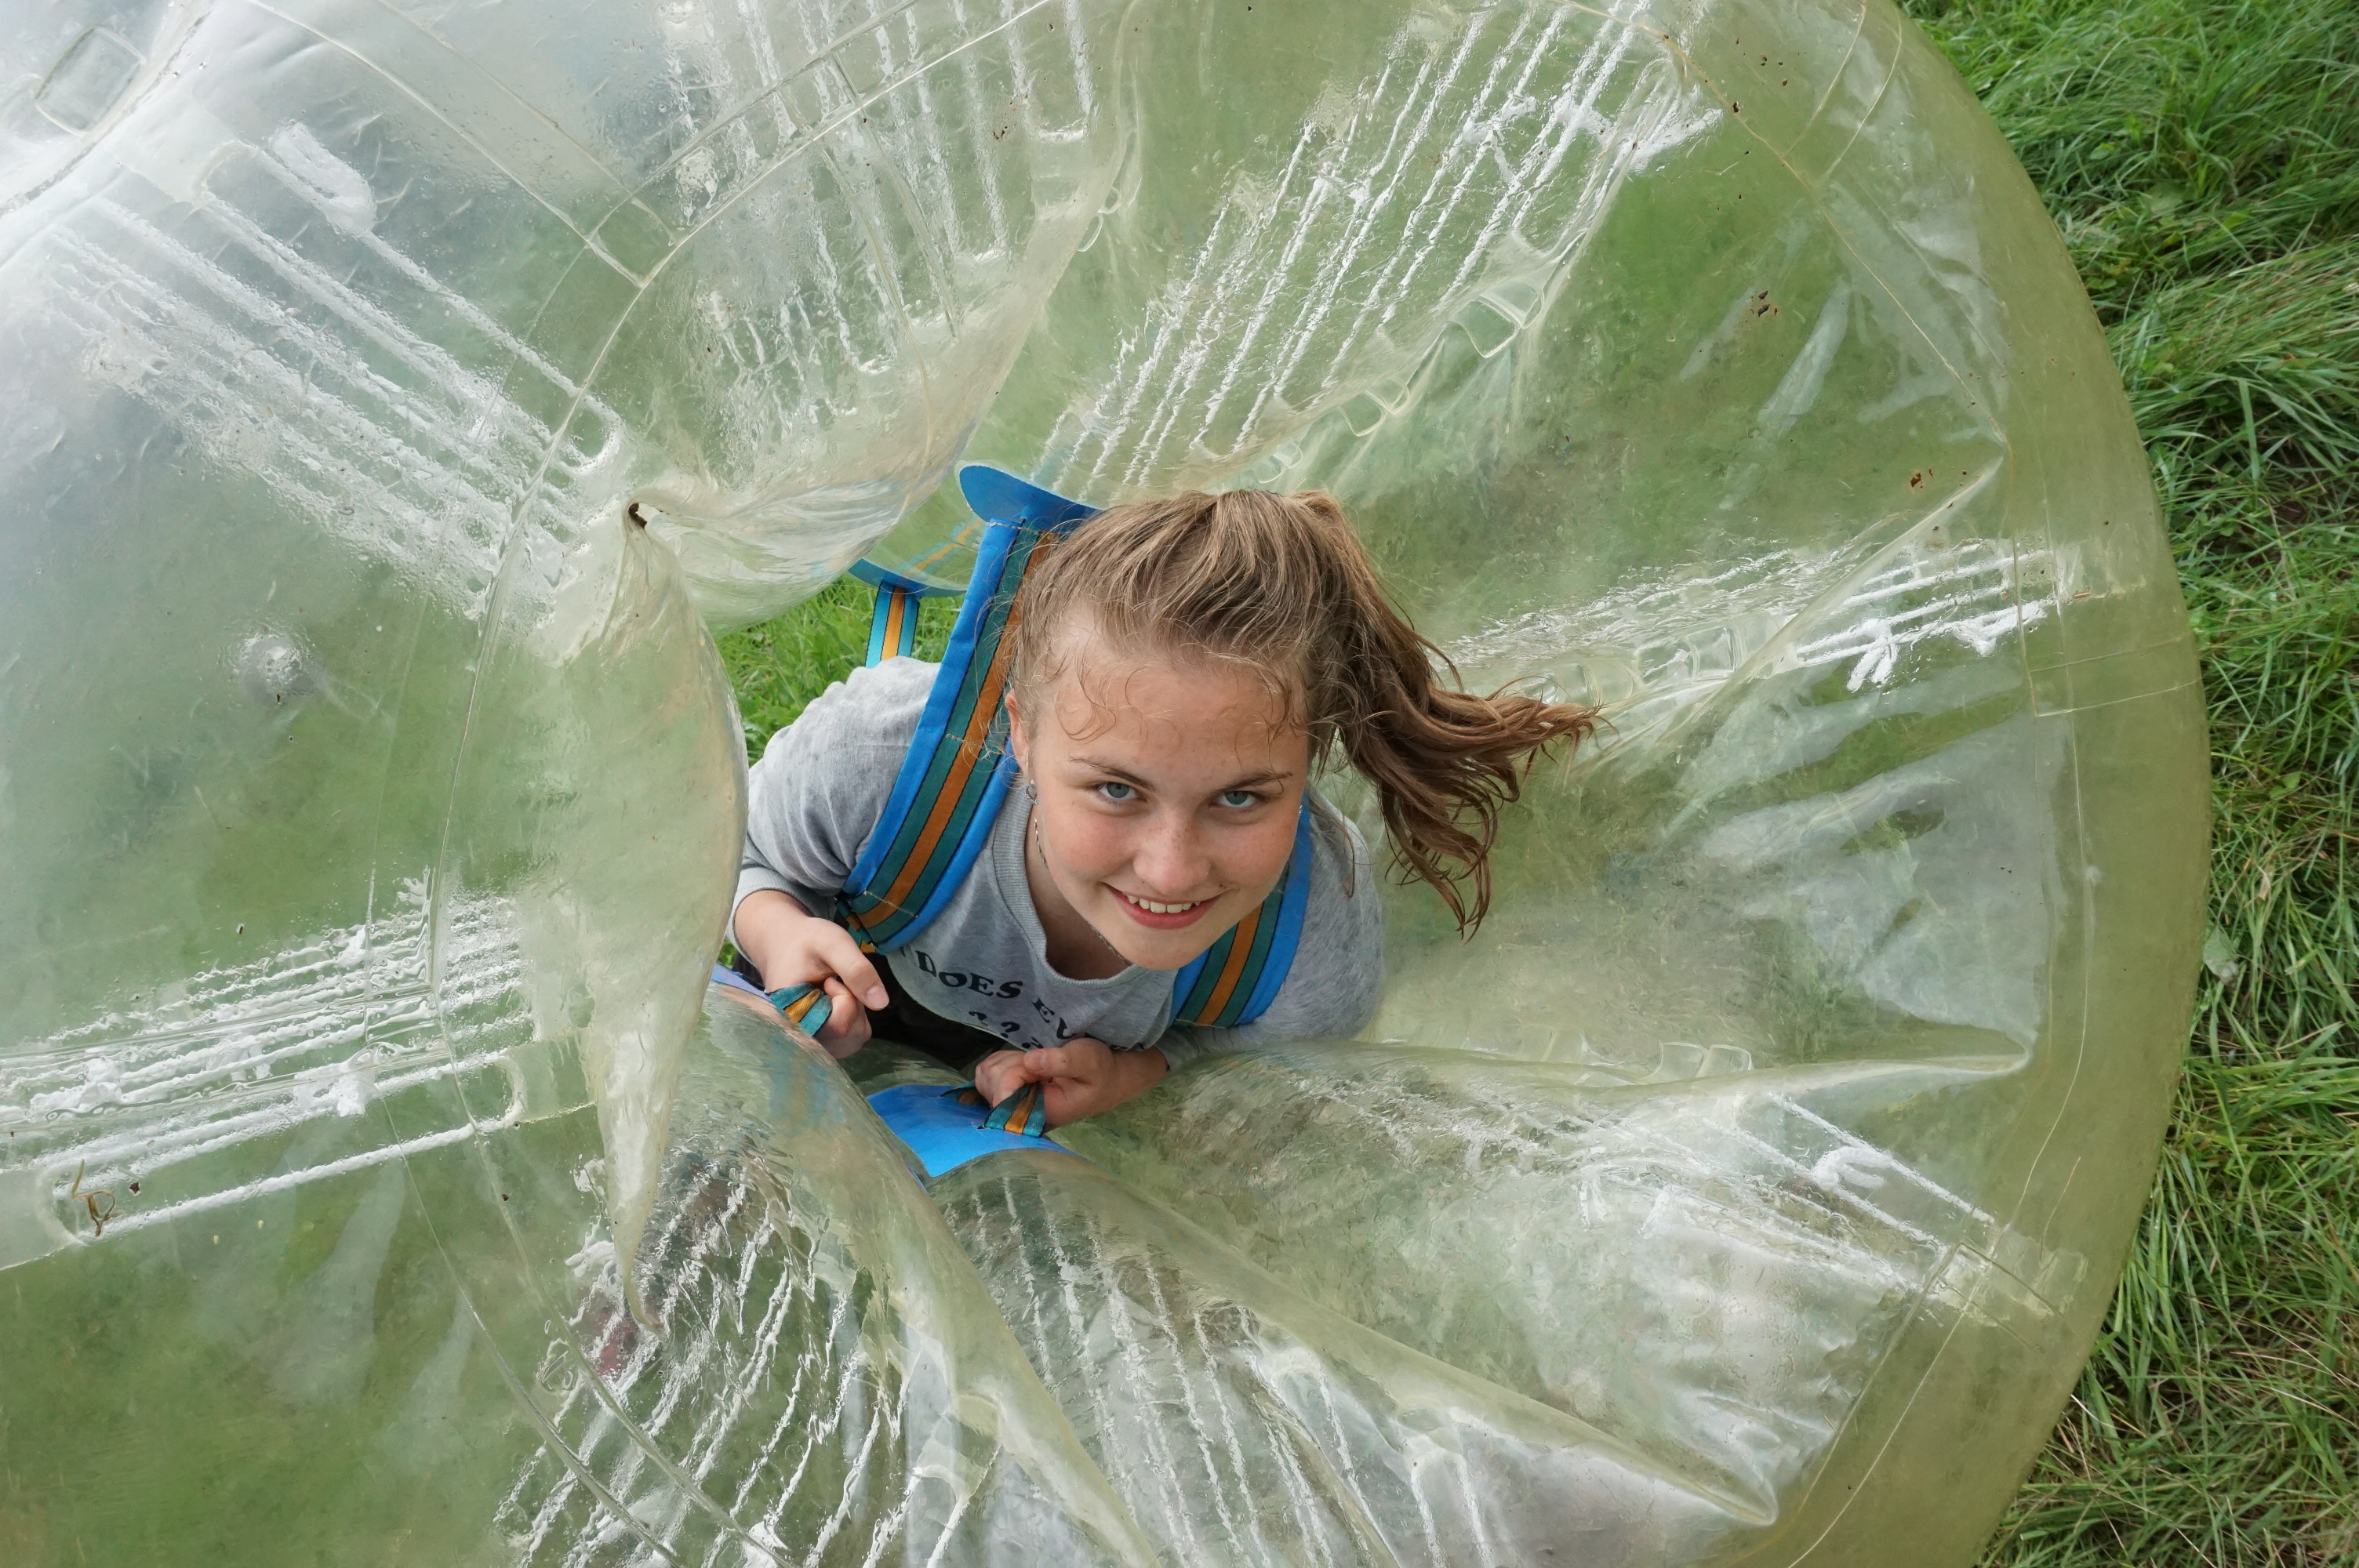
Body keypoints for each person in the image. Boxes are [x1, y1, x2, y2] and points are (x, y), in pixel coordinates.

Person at [729, 488, 1597, 1129]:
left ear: (1308, 759)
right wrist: (773, 927)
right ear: (1020, 733)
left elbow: (1274, 1063)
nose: (1171, 869)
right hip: (870, 975)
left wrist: (1144, 1070)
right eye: (1116, 789)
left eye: (1239, 797)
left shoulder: (1308, 941)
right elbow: (730, 851)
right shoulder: (878, 764)